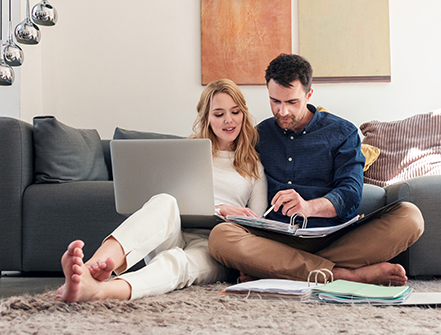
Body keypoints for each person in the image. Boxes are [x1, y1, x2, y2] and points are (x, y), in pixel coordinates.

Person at [208, 54, 424, 286]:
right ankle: (345, 275)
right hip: (277, 241)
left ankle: (275, 270)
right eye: (275, 101)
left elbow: (350, 194)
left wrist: (308, 207)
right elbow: (230, 169)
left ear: (309, 95)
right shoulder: (260, 135)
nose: (282, 111)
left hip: (335, 238)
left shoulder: (342, 132)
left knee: (411, 217)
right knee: (220, 237)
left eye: (292, 102)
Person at [55, 79, 267, 302]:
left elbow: (259, 224)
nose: (229, 120)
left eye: (235, 112)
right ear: (206, 118)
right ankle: (91, 268)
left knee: (176, 262)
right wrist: (218, 208)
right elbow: (170, 203)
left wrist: (233, 220)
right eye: (218, 114)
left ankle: (99, 291)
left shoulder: (254, 166)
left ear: (244, 114)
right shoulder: (187, 152)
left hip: (215, 246)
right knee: (164, 200)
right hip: (172, 231)